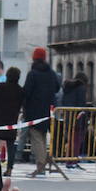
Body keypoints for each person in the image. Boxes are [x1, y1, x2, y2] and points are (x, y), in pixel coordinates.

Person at [21, 47, 60, 177]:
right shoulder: (51, 73)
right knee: (42, 138)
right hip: (49, 110)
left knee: (36, 138)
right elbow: (57, 87)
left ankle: (40, 165)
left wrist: (24, 107)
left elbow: (26, 92)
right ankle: (42, 163)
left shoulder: (32, 73)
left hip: (34, 111)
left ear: (34, 58)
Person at [0, 65, 23, 176]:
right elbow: (21, 104)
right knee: (11, 146)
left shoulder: (0, 87)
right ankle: (9, 169)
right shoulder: (20, 90)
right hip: (11, 121)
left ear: (7, 76)